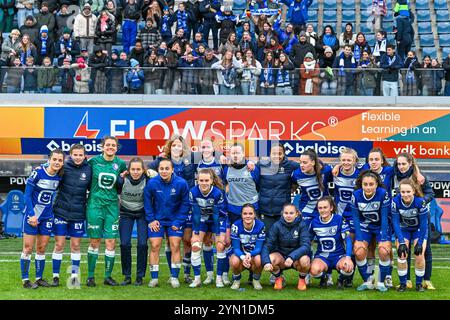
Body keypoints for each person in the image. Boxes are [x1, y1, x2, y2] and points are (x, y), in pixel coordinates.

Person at [148, 135, 196, 284]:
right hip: (162, 212)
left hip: (182, 209)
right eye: (174, 145)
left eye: (179, 145)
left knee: (185, 241)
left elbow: (211, 158)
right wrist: (149, 172)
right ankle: (169, 275)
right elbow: (147, 169)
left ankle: (185, 273)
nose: (177, 147)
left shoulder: (190, 160)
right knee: (164, 244)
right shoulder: (161, 160)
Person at [86, 136, 127, 287]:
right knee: (95, 241)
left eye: (113, 145)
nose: (110, 147)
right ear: (102, 147)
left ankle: (107, 277)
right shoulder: (93, 162)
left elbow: (126, 178)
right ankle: (90, 276)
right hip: (95, 206)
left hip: (112, 207)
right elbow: (76, 167)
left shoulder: (120, 164)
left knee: (111, 242)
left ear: (117, 148)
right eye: (108, 145)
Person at [20, 148, 64, 289]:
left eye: (60, 160)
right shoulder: (38, 172)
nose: (57, 162)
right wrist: (32, 215)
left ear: (63, 162)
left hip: (47, 217)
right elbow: (26, 195)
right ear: (49, 159)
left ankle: (39, 278)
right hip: (32, 215)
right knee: (28, 248)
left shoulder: (60, 175)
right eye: (54, 159)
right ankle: (25, 280)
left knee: (42, 248)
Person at [144, 158, 190, 288]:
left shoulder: (181, 183)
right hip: (157, 220)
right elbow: (147, 203)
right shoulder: (152, 183)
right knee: (155, 245)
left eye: (167, 169)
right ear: (158, 170)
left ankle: (174, 277)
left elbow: (185, 203)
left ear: (172, 170)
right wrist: (151, 219)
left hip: (174, 220)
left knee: (175, 245)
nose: (164, 171)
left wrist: (179, 220)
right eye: (161, 169)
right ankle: (154, 278)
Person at [50, 144, 91, 287]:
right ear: (71, 155)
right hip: (60, 212)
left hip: (78, 214)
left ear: (84, 156)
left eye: (81, 155)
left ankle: (74, 277)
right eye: (75, 155)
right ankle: (55, 276)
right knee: (59, 244)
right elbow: (49, 168)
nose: (78, 157)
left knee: (75, 245)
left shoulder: (89, 169)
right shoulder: (63, 167)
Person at [392, 152, 435, 290]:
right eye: (399, 164)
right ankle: (406, 281)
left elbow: (430, 193)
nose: (401, 166)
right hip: (403, 220)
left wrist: (420, 202)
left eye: (404, 164)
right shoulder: (393, 174)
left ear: (410, 164)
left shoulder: (419, 176)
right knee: (403, 250)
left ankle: (425, 280)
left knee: (423, 249)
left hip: (420, 217)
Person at [351, 170, 391, 292]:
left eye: (371, 184)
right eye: (365, 184)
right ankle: (368, 281)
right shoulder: (356, 195)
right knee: (358, 250)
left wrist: (383, 238)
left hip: (381, 226)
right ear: (361, 184)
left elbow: (384, 217)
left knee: (384, 250)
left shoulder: (382, 193)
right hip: (364, 226)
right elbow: (356, 218)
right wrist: (358, 238)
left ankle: (380, 282)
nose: (368, 187)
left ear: (377, 184)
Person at [119, 158, 156, 286]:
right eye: (133, 169)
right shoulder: (122, 180)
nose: (135, 172)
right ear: (128, 170)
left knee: (142, 244)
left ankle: (140, 276)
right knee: (124, 244)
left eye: (138, 169)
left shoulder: (149, 180)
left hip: (142, 214)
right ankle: (127, 276)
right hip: (125, 214)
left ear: (143, 170)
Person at [189, 169, 228, 288]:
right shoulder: (193, 192)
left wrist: (217, 234)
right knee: (195, 245)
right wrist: (196, 234)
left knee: (220, 245)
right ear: (197, 181)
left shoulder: (217, 193)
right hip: (201, 220)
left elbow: (219, 215)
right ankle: (199, 278)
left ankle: (219, 278)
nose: (204, 183)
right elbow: (195, 214)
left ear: (211, 181)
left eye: (206, 180)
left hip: (217, 219)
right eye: (201, 180)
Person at [262, 203, 311, 290]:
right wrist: (266, 262)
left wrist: (292, 257)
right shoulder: (276, 225)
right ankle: (278, 277)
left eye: (291, 213)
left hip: (296, 258)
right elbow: (267, 245)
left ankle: (302, 279)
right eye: (286, 213)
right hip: (281, 257)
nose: (288, 216)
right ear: (282, 214)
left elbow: (306, 246)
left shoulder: (302, 225)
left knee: (305, 260)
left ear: (297, 214)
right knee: (271, 259)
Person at [392, 178, 429, 292]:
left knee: (419, 255)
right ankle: (403, 283)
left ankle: (419, 284)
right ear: (400, 192)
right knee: (402, 255)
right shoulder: (396, 202)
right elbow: (395, 223)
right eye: (403, 192)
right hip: (404, 230)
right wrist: (402, 242)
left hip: (418, 230)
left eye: (408, 191)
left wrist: (420, 242)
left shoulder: (420, 202)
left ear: (413, 191)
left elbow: (424, 224)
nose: (406, 194)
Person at [309, 196, 354, 289]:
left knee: (348, 268)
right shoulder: (314, 222)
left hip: (338, 256)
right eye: (320, 208)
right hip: (322, 257)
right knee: (314, 271)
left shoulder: (339, 219)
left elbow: (348, 239)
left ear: (331, 208)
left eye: (325, 207)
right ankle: (324, 278)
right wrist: (309, 257)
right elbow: (308, 241)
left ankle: (340, 279)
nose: (323, 210)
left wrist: (348, 257)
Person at [291, 149, 333, 226]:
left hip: (324, 209)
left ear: (313, 162)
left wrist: (338, 166)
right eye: (300, 162)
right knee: (305, 236)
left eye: (305, 162)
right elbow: (292, 188)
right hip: (306, 210)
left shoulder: (325, 171)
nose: (301, 165)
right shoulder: (297, 174)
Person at [229, 204, 265, 290]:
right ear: (241, 215)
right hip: (240, 254)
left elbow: (259, 248)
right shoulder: (236, 226)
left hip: (254, 254)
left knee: (259, 260)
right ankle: (236, 280)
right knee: (233, 261)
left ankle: (256, 280)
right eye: (245, 214)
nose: (248, 216)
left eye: (250, 213)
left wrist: (250, 254)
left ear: (254, 214)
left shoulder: (260, 225)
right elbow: (236, 248)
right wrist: (243, 257)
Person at [223, 142, 260, 225]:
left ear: (243, 154)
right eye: (233, 153)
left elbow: (259, 185)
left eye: (238, 153)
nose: (235, 155)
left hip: (251, 207)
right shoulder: (227, 168)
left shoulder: (252, 168)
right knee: (235, 234)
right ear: (230, 154)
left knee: (252, 234)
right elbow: (225, 184)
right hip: (233, 208)